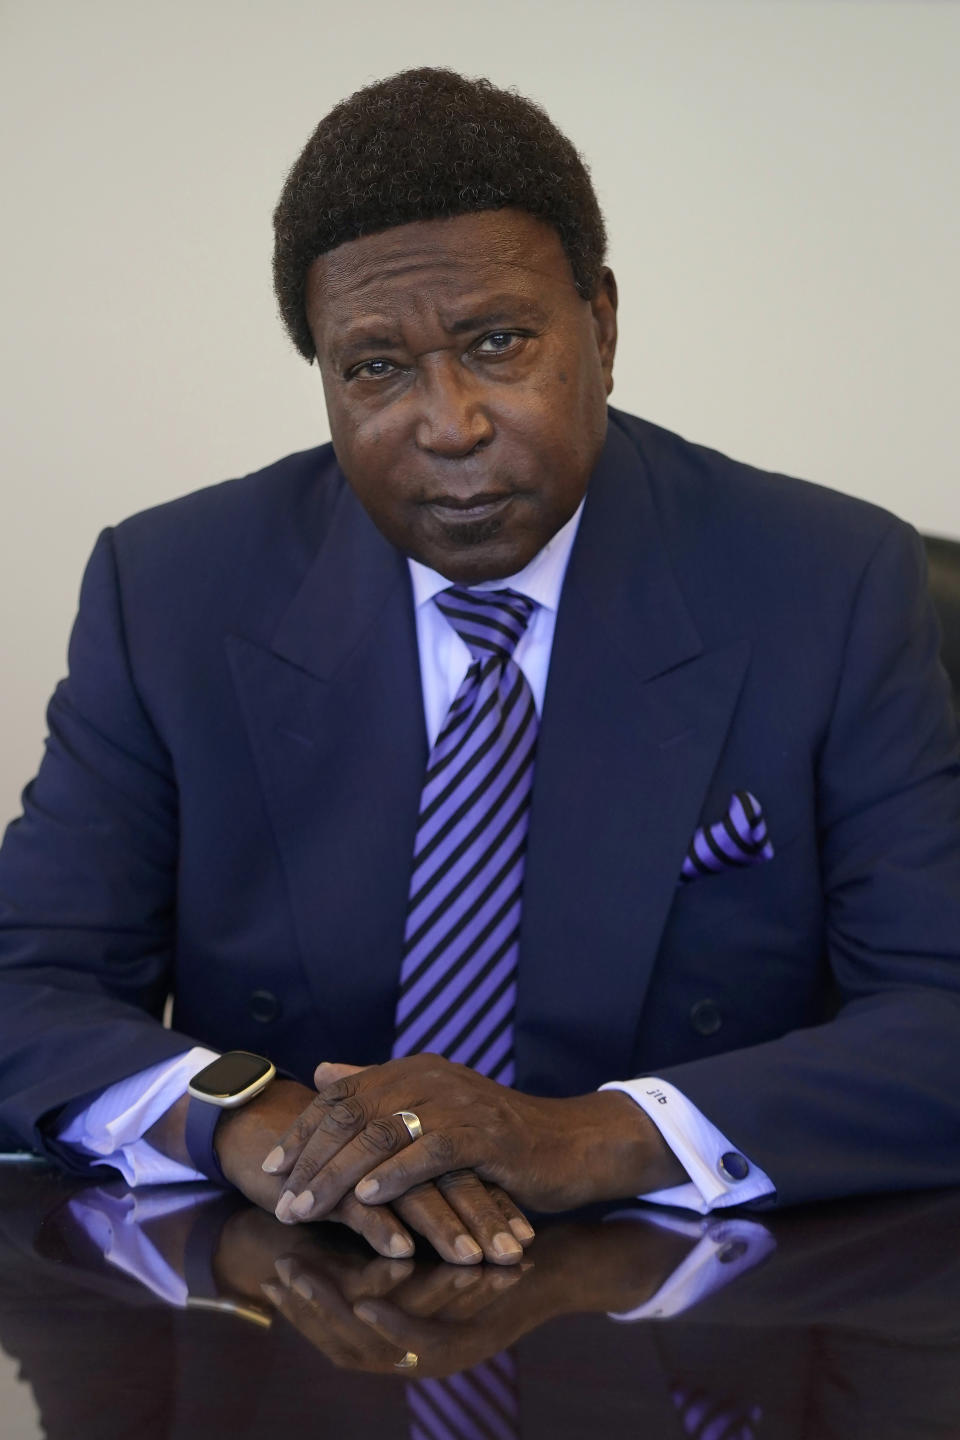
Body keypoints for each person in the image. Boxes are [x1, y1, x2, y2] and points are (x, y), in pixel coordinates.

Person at [1, 68, 958, 1267]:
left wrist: (583, 1140)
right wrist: (252, 1120)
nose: (448, 423)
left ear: (600, 326)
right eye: (376, 369)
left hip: (686, 1316)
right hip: (300, 1299)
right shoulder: (173, 591)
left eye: (498, 343)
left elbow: (941, 1019)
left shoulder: (828, 581)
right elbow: (25, 984)